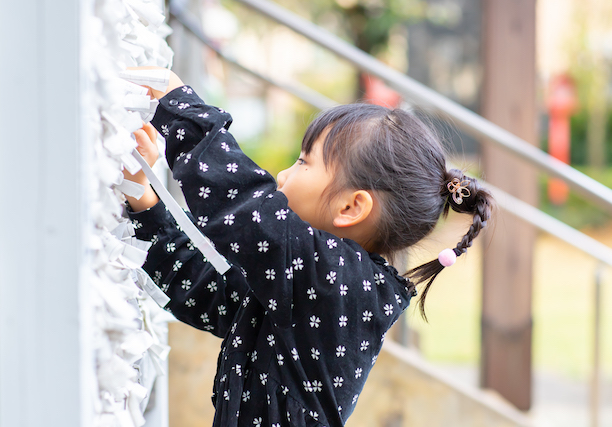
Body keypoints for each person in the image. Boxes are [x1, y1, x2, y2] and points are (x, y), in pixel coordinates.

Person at [124, 68, 493, 426]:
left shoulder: (336, 281)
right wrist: (144, 200)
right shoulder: (308, 283)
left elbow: (245, 207)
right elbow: (211, 296)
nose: (283, 175)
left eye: (304, 161)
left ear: (350, 207)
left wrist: (182, 110)